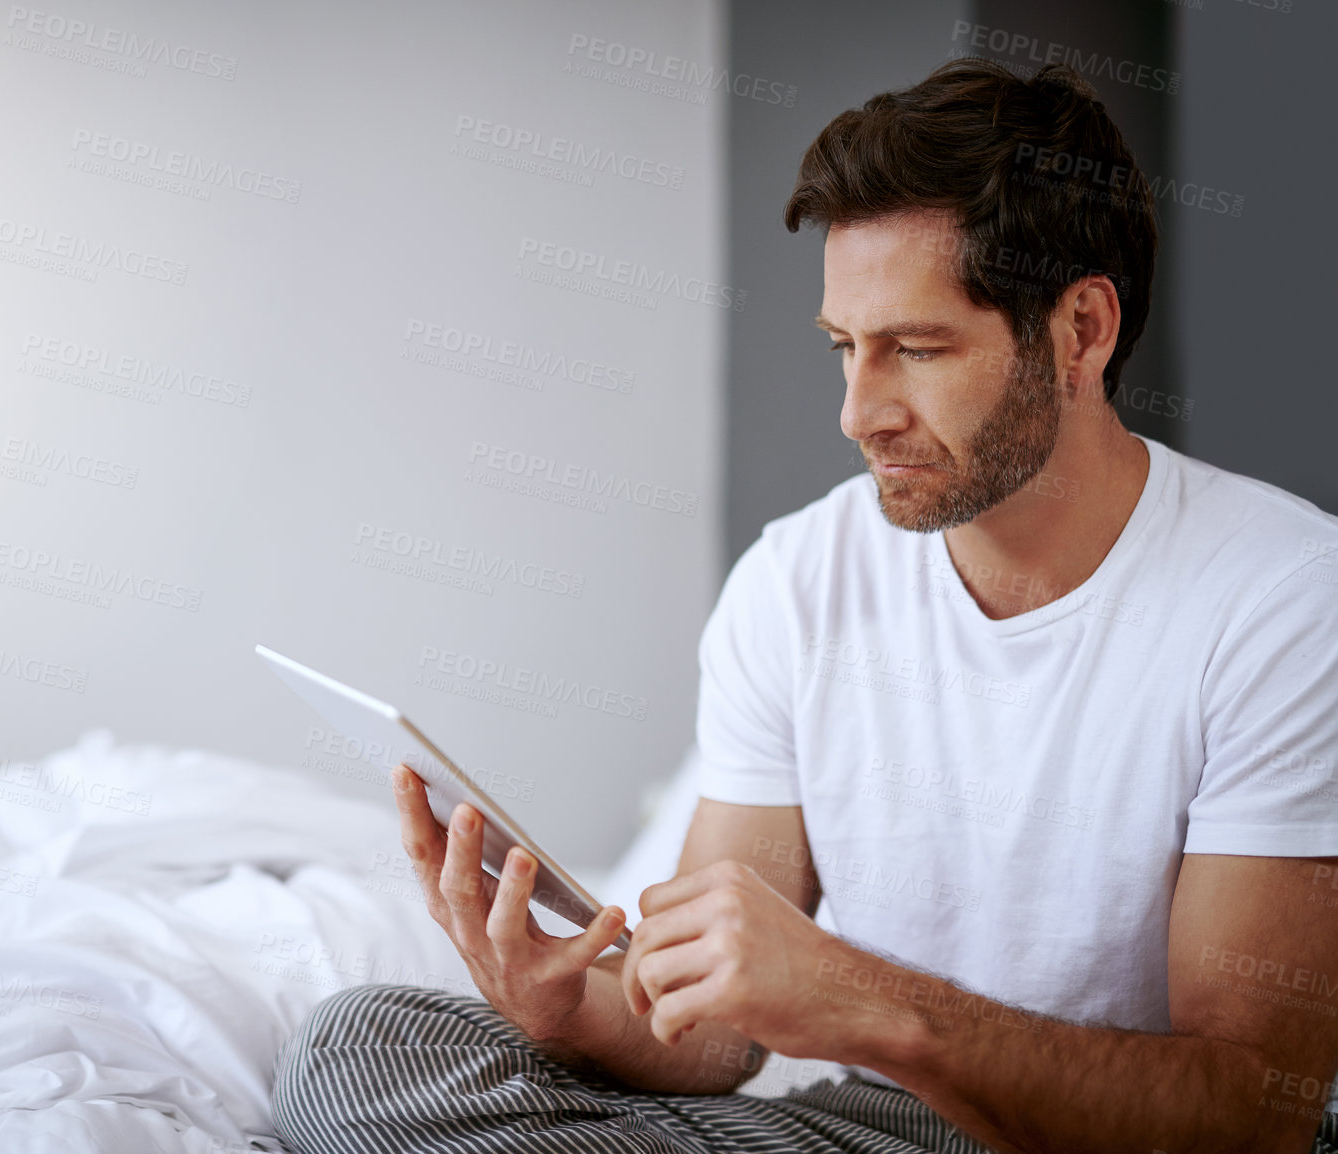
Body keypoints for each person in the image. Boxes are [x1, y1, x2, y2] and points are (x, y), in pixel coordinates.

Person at [273, 59, 1338, 1154]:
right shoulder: (797, 577)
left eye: (916, 350)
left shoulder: (1281, 597)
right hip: (864, 1124)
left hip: (1096, 1132)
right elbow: (713, 1040)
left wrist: (852, 992)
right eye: (843, 347)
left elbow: (1252, 1112)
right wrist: (572, 1006)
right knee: (361, 1050)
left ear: (1080, 330)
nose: (858, 412)